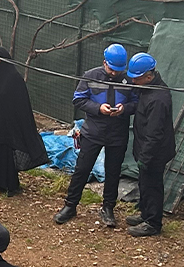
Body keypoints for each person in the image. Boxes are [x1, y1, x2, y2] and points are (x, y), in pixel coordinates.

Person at [55, 44, 136, 228]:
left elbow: (137, 103)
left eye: (118, 70)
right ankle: (70, 205)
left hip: (118, 134)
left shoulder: (129, 80)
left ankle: (108, 208)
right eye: (111, 69)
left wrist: (125, 109)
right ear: (104, 62)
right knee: (82, 169)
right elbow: (78, 99)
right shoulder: (90, 75)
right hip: (93, 132)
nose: (114, 73)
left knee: (113, 172)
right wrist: (98, 108)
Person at [0, 47, 47, 196]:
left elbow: (21, 105)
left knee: (5, 154)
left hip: (7, 126)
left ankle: (8, 184)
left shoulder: (14, 78)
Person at [123, 54, 174, 237]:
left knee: (152, 186)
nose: (133, 81)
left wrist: (145, 157)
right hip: (145, 147)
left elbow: (155, 133)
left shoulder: (159, 99)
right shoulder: (147, 89)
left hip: (154, 152)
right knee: (144, 184)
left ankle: (153, 223)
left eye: (136, 78)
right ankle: (145, 214)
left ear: (149, 76)